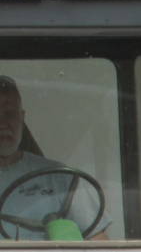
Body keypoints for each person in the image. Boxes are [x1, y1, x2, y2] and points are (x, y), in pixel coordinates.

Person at [0, 75, 109, 240]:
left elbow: (99, 244)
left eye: (10, 113)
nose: (3, 123)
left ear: (22, 118)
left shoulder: (62, 178)